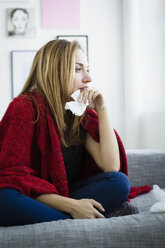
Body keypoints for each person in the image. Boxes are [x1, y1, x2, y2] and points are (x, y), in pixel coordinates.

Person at [0, 39, 138, 226]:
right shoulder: (24, 106)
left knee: (119, 183)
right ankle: (76, 218)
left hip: (63, 193)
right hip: (31, 196)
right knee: (4, 199)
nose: (88, 78)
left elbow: (111, 167)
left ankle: (65, 216)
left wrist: (102, 108)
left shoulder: (81, 114)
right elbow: (12, 178)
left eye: (87, 69)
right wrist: (73, 206)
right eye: (78, 69)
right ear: (54, 71)